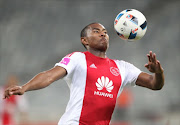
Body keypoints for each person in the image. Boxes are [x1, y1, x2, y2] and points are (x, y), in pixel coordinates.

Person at [3, 23, 164, 125]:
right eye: (96, 31)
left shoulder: (123, 68)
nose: (103, 34)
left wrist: (158, 72)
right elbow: (49, 76)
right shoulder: (77, 59)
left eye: (105, 32)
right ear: (84, 41)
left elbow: (154, 84)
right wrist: (25, 87)